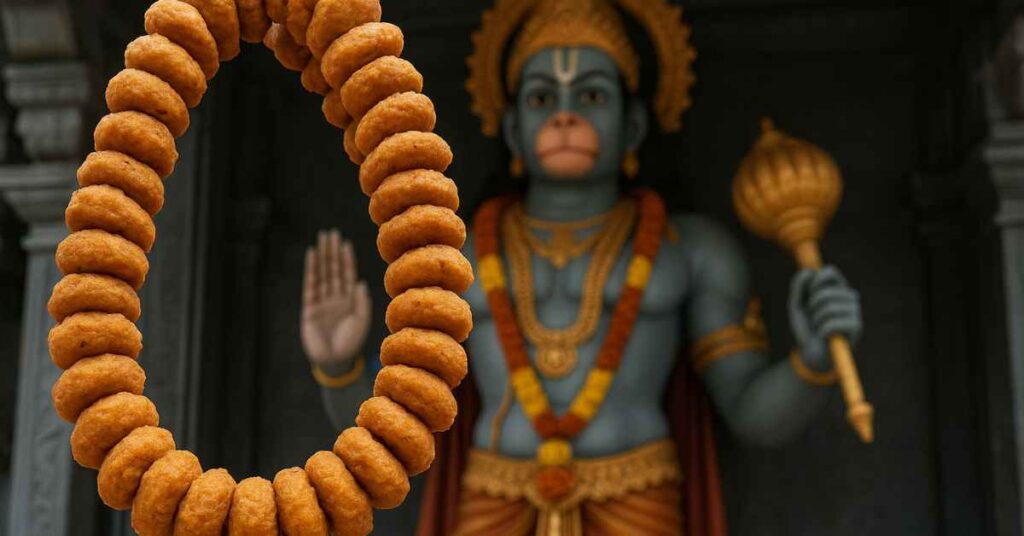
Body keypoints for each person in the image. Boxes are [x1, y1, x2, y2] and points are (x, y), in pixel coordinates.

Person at [300, 1, 863, 534]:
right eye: (543, 99)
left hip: (638, 499)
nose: (566, 116)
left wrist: (813, 360)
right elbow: (392, 433)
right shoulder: (459, 255)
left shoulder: (688, 249)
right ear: (514, 128)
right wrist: (338, 362)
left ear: (634, 126)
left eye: (591, 96)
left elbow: (751, 412)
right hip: (493, 502)